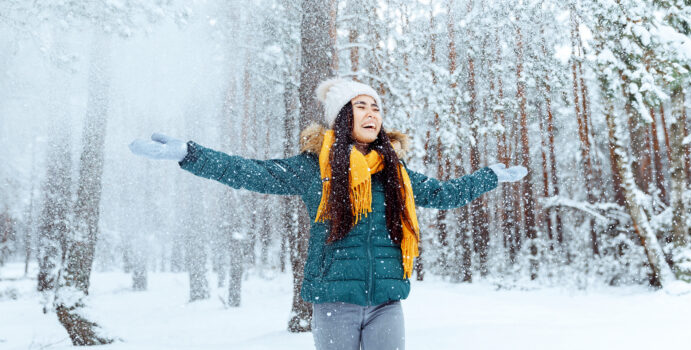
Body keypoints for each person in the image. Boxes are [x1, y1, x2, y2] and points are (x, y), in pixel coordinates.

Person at [129, 78, 527, 350]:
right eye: (360, 106)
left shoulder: (395, 172)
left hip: (388, 301)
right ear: (342, 115)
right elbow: (250, 171)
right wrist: (190, 154)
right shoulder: (313, 169)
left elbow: (444, 194)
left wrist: (488, 176)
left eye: (376, 107)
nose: (372, 113)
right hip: (335, 300)